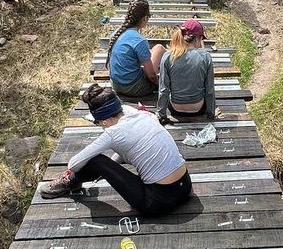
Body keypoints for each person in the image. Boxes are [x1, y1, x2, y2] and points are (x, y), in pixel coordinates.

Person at [42, 83, 192, 215]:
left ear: (105, 120)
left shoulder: (113, 133)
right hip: (185, 188)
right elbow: (128, 149)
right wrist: (111, 168)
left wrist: (101, 169)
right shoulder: (142, 115)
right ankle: (73, 180)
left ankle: (68, 181)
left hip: (158, 203)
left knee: (97, 160)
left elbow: (73, 164)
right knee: (112, 161)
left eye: (98, 123)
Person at [157, 18, 216, 121]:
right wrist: (211, 113)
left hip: (175, 109)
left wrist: (161, 115)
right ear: (198, 38)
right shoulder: (205, 56)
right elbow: (209, 90)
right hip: (199, 108)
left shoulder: (168, 56)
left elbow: (164, 90)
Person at [106, 0, 165, 98]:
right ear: (144, 18)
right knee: (159, 48)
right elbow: (151, 76)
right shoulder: (139, 40)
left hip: (116, 85)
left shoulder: (116, 33)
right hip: (133, 88)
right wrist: (158, 84)